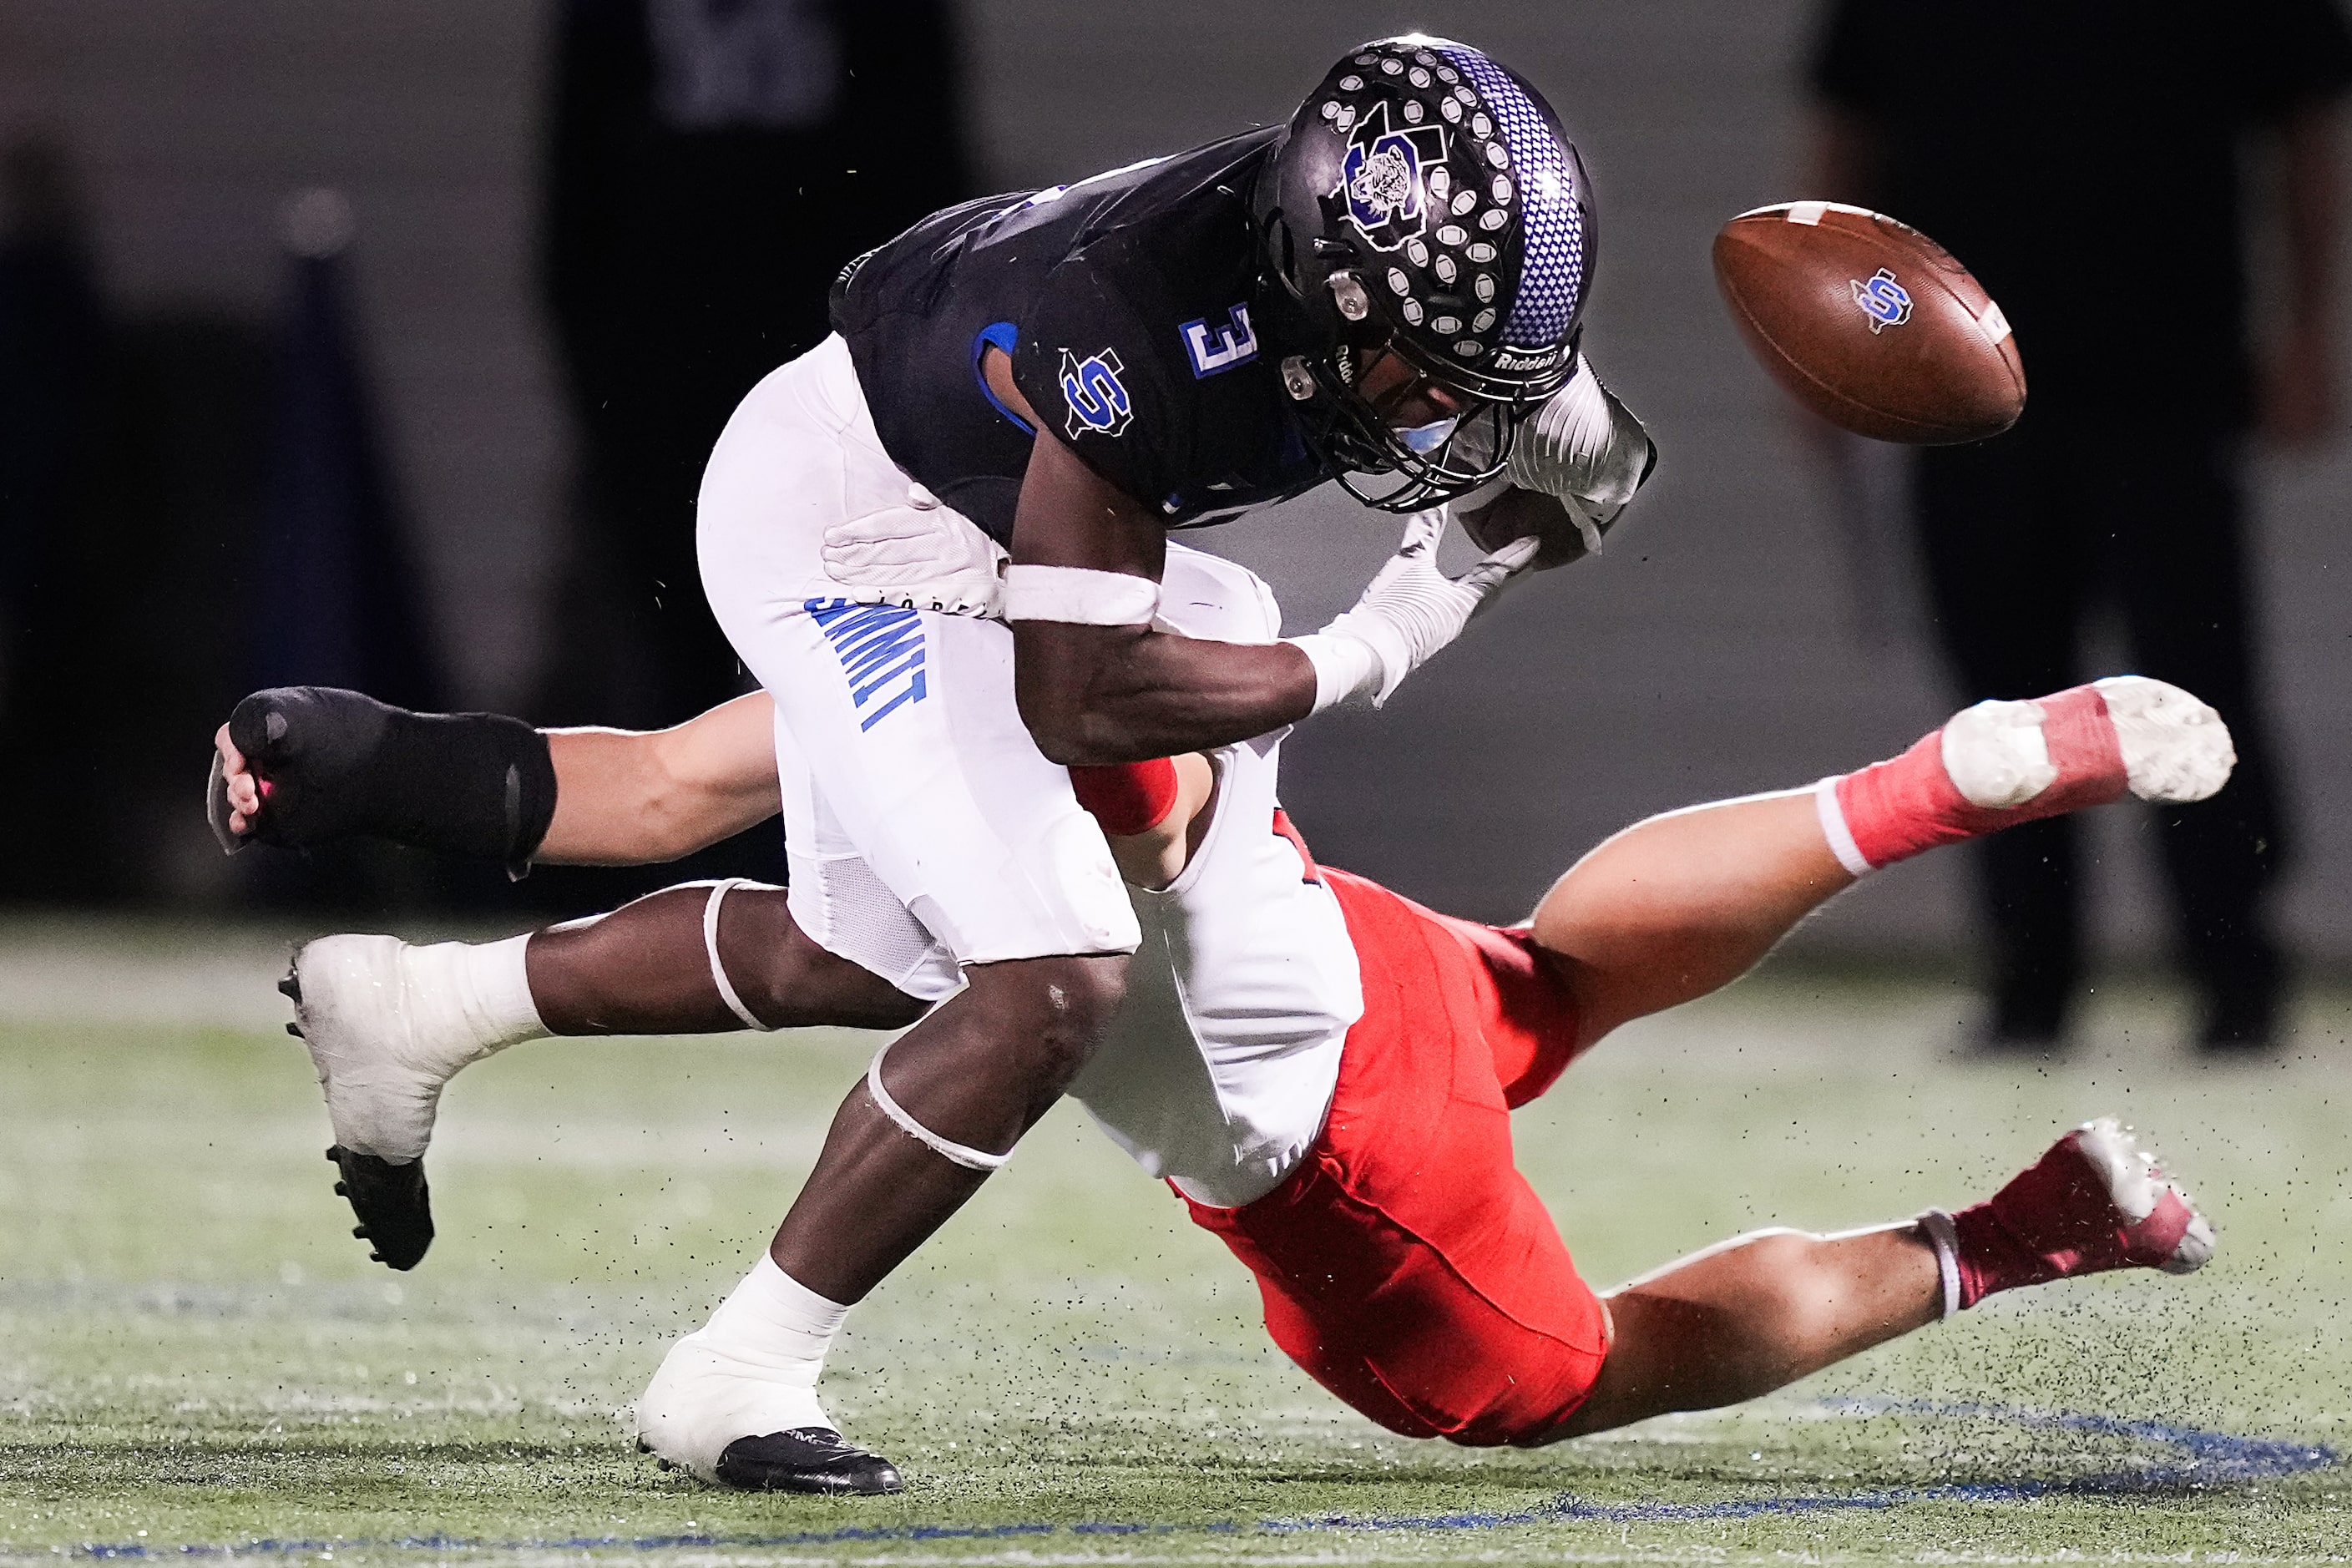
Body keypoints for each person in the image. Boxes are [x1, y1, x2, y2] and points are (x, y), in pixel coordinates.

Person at [235, 33, 1665, 1490]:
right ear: (1318, 277)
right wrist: (1382, 640)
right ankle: (736, 1372)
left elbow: (1557, 436)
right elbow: (1082, 700)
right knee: (1051, 982)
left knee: (886, 955)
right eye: (1426, 372)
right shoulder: (1144, 331)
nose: (1443, 410)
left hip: (993, 517)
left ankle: (420, 1004)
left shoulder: (1365, 269)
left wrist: (1574, 445)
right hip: (856, 532)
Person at [215, 542, 2230, 1490]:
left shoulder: (951, 665)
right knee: (1538, 976)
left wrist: (371, 767)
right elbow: (653, 801)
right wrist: (374, 759)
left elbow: (674, 798)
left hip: (1333, 1153)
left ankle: (2016, 1229)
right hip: (1366, 960)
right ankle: (1921, 786)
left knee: (1530, 1381)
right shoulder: (1152, 579)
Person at [1805, 0, 2352, 1054]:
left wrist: (2308, 334)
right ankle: (2030, 981)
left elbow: (2307, 125)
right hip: (1958, 390)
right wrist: (1834, 347)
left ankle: (2237, 974)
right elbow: (1847, 145)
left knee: (2194, 685)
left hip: (2165, 381)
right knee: (1999, 702)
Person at [539, 0, 974, 727]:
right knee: (679, 658)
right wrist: (608, 408)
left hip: (838, 379)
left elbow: (928, 188)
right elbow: (577, 209)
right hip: (666, 388)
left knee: (859, 650)